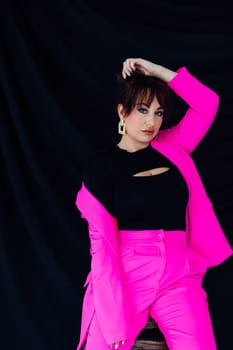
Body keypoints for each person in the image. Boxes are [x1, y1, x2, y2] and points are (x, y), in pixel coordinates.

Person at [75, 58, 233, 350]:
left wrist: (159, 72)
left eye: (158, 112)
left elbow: (208, 103)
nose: (151, 122)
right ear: (122, 112)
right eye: (143, 110)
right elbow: (103, 249)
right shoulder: (102, 166)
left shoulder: (173, 147)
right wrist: (112, 319)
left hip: (178, 273)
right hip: (127, 273)